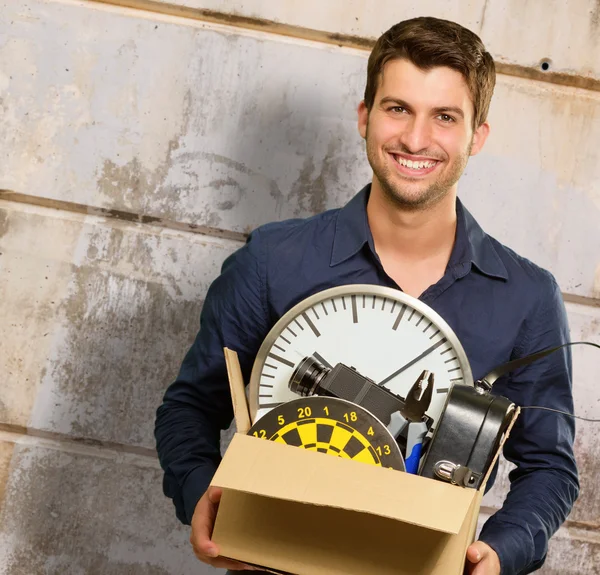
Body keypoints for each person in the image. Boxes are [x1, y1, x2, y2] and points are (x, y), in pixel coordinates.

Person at [155, 16, 579, 575]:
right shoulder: (271, 261)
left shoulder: (528, 297)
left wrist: (498, 553)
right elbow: (188, 408)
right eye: (397, 108)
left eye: (445, 117)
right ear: (365, 116)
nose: (415, 139)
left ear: (477, 135)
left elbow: (550, 466)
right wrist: (202, 496)